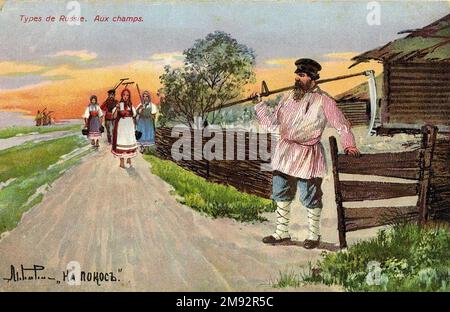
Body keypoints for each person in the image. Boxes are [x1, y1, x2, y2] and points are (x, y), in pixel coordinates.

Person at [253, 58, 360, 249]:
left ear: (312, 78)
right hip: (285, 152)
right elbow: (271, 125)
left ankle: (313, 235)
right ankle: (281, 233)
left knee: (310, 195)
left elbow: (342, 126)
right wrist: (260, 105)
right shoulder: (287, 98)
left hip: (308, 154)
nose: (297, 78)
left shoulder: (324, 100)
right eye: (297, 75)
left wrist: (349, 145)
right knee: (281, 191)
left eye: (301, 75)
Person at [111, 89, 138, 168]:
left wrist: (133, 126)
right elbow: (114, 116)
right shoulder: (119, 104)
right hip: (121, 126)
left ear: (129, 96)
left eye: (127, 95)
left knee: (129, 141)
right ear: (122, 96)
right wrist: (117, 108)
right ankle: (122, 161)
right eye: (124, 95)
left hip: (129, 125)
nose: (125, 97)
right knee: (122, 142)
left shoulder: (130, 105)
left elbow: (134, 115)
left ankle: (129, 158)